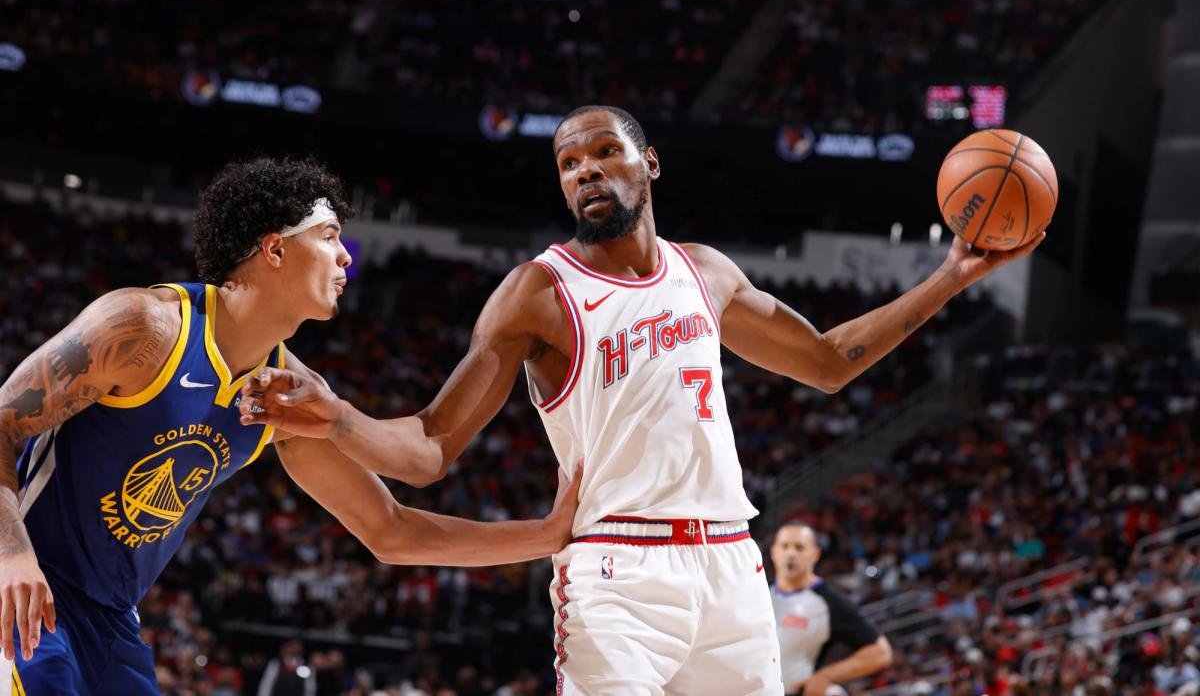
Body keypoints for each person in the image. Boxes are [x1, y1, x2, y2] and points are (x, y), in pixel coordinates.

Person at [241, 106, 1044, 695]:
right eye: (568, 162)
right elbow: (428, 449)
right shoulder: (537, 293)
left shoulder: (708, 272)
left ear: (649, 163)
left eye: (604, 151)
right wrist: (340, 417)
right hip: (617, 572)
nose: (585, 170)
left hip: (731, 565)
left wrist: (950, 276)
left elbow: (830, 363)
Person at [0, 157, 581, 696]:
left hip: (109, 621)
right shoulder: (144, 329)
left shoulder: (286, 395)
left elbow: (391, 531)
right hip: (24, 587)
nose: (347, 256)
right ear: (275, 249)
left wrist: (546, 535)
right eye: (329, 237)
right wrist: (13, 556)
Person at [769, 523, 892, 695]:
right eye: (784, 546)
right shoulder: (759, 592)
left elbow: (880, 653)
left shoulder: (829, 601)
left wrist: (826, 676)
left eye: (799, 547)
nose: (791, 554)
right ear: (774, 552)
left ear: (815, 554)